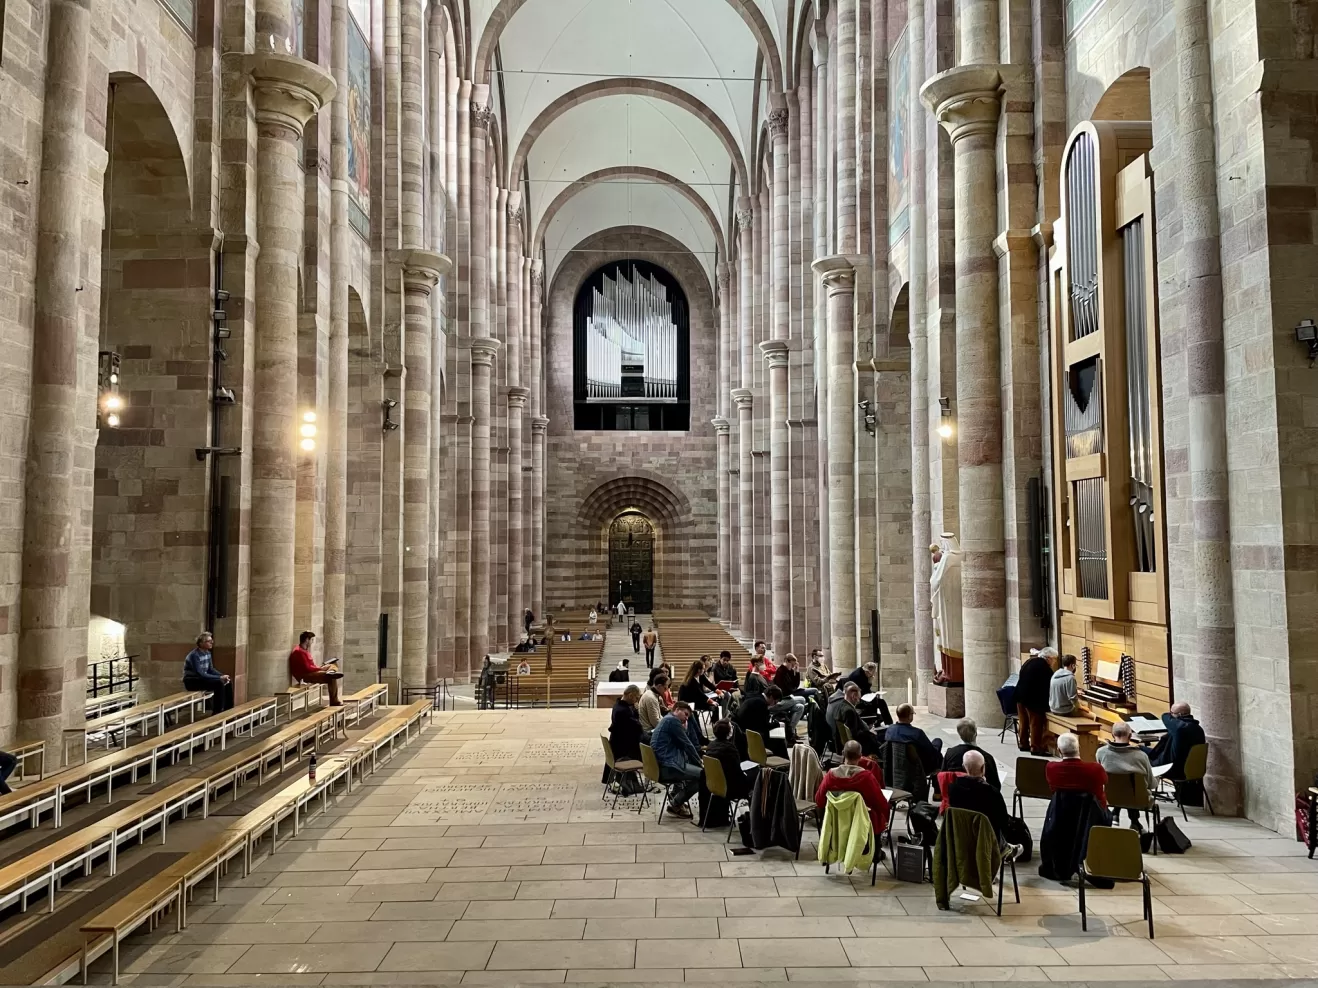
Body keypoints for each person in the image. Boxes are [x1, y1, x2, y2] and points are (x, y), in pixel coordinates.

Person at [946, 751, 1017, 852]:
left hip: (961, 840)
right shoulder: (992, 793)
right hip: (987, 843)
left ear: (963, 767)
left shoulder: (953, 789)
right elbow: (1003, 821)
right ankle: (1008, 849)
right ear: (983, 768)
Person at [814, 740, 890, 834]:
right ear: (860, 755)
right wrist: (886, 819)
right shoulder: (866, 777)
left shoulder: (830, 775)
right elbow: (880, 803)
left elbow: (819, 800)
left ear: (842, 753)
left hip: (836, 826)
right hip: (862, 828)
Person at [650, 702, 704, 818]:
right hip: (668, 767)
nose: (686, 718)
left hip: (660, 764)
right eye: (685, 714)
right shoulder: (672, 721)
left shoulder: (667, 719)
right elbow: (687, 744)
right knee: (703, 776)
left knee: (692, 767)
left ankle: (676, 796)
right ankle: (676, 803)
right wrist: (700, 762)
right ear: (677, 709)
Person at [1097, 720, 1155, 828]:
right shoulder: (1141, 756)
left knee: (1120, 786)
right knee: (1133, 788)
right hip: (1137, 799)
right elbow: (1151, 784)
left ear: (1113, 735)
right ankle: (1135, 821)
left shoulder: (1101, 752)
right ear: (1130, 735)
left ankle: (1116, 813)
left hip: (1110, 797)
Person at [1046, 732, 1108, 808]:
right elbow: (1104, 783)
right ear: (1079, 747)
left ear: (1059, 751)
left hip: (1061, 814)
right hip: (1092, 815)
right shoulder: (1096, 769)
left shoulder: (1051, 768)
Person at [1146, 702, 1207, 777]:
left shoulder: (1180, 728)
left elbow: (1165, 716)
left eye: (1172, 713)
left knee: (1138, 752)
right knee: (1144, 750)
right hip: (1192, 768)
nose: (1170, 715)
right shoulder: (1199, 729)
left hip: (1172, 768)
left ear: (1180, 715)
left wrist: (1169, 714)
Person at [942, 718, 1001, 791]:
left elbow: (942, 776)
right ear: (976, 733)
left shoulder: (950, 753)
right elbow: (996, 785)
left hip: (955, 795)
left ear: (959, 734)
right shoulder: (987, 757)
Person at [1016, 647, 1055, 755]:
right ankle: (1036, 747)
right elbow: (1047, 686)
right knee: (1035, 723)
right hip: (1033, 700)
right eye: (1054, 659)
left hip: (1020, 696)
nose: (1054, 662)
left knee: (1023, 721)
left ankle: (1023, 744)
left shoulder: (1029, 662)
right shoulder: (1044, 668)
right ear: (1049, 658)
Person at [825, 682, 882, 757]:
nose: (859, 700)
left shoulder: (841, 706)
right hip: (860, 744)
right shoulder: (849, 711)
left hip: (850, 741)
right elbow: (854, 735)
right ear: (854, 696)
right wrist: (869, 733)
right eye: (859, 697)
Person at [182, 631, 234, 713]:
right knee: (219, 683)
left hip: (202, 679)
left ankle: (228, 710)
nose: (212, 642)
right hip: (192, 681)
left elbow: (211, 670)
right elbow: (200, 674)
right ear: (201, 643)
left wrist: (223, 676)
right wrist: (219, 677)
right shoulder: (194, 655)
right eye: (209, 641)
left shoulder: (207, 653)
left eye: (211, 640)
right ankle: (217, 712)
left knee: (228, 681)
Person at [885, 702, 943, 773]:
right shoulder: (917, 733)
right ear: (909, 716)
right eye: (912, 713)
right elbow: (930, 752)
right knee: (938, 742)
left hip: (895, 764)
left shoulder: (890, 730)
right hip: (919, 767)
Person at [288, 630, 342, 706]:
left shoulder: (303, 650)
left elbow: (310, 666)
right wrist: (321, 669)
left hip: (312, 671)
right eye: (312, 640)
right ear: (307, 640)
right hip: (306, 676)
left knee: (333, 664)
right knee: (331, 678)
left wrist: (321, 668)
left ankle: (331, 672)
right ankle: (334, 701)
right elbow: (307, 668)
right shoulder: (299, 651)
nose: (312, 642)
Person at [705, 718, 753, 801]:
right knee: (757, 778)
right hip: (731, 787)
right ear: (729, 733)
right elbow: (737, 771)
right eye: (731, 728)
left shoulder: (710, 745)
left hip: (714, 783)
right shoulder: (730, 749)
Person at [610, 684, 646, 760]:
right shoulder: (623, 711)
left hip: (619, 741)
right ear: (630, 695)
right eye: (636, 698)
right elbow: (637, 728)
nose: (637, 700)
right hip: (623, 748)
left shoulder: (618, 705)